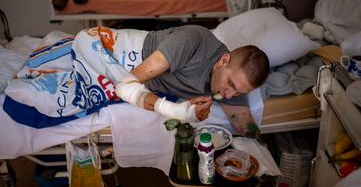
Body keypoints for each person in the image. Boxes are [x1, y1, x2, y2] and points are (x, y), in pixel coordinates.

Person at [116, 24, 270, 136]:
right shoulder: (193, 41)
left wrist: (255, 142)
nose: (229, 95)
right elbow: (126, 85)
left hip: (127, 78)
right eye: (230, 85)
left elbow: (243, 121)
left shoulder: (236, 80)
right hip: (120, 51)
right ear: (223, 60)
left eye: (238, 93)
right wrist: (177, 111)